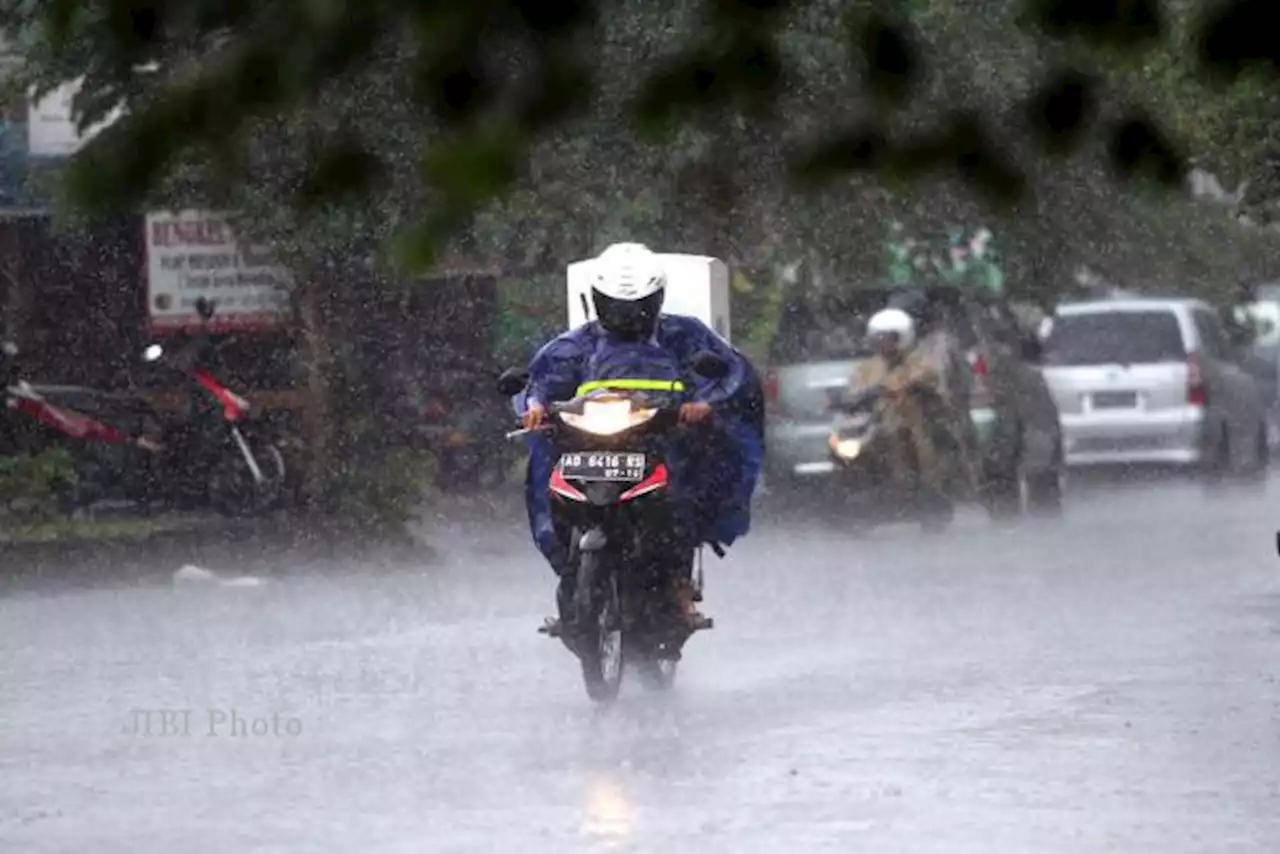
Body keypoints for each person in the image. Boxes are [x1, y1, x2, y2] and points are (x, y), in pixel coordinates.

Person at [512, 242, 764, 634]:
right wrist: (536, 405)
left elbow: (729, 373)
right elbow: (541, 380)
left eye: (636, 307)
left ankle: (678, 585)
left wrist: (703, 404)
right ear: (597, 301)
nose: (627, 316)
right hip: (591, 445)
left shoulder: (684, 335)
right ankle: (571, 575)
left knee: (685, 492)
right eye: (616, 306)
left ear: (656, 299)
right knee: (549, 487)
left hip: (663, 443)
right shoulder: (577, 345)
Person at [851, 307, 950, 501]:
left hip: (911, 423)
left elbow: (926, 378)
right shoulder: (867, 367)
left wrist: (907, 386)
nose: (882, 343)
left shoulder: (916, 362)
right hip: (874, 426)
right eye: (878, 338)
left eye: (887, 337)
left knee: (921, 452)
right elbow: (856, 388)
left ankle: (927, 493)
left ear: (900, 338)